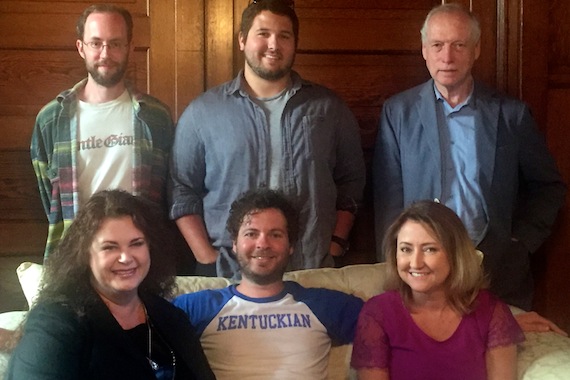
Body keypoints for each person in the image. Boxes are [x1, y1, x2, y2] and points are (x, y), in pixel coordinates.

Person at [373, 3, 566, 310]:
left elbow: (549, 187)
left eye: (458, 45)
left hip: (496, 270)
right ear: (424, 50)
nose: (447, 57)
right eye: (437, 45)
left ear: (476, 50)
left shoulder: (511, 115)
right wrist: (395, 261)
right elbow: (388, 199)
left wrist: (520, 243)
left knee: (497, 356)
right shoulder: (398, 114)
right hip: (420, 272)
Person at [169, 0, 365, 278]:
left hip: (311, 269)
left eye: (284, 36)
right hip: (229, 273)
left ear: (295, 43)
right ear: (242, 40)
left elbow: (352, 182)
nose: (274, 45)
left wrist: (335, 244)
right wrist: (207, 257)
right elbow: (182, 189)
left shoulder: (328, 108)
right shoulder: (203, 112)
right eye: (263, 34)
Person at [6, 190, 215, 380]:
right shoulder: (55, 321)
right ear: (84, 255)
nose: (126, 257)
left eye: (136, 244)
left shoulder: (170, 317)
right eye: (109, 247)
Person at [173, 189, 364, 379]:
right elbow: (149, 339)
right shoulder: (197, 307)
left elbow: (385, 324)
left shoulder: (323, 304)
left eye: (275, 234)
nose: (263, 244)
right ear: (235, 244)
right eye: (251, 233)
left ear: (291, 246)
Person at [32, 4, 174, 259]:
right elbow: (48, 194)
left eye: (115, 44)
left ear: (130, 48)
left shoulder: (156, 117)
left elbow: (166, 192)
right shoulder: (50, 120)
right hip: (75, 256)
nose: (105, 53)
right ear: (81, 47)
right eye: (96, 43)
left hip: (140, 255)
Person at [352, 201, 525, 380]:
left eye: (430, 249)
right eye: (406, 249)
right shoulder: (377, 313)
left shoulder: (491, 311)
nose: (415, 263)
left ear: (455, 254)